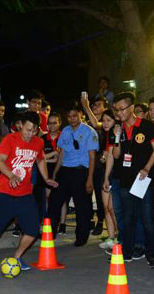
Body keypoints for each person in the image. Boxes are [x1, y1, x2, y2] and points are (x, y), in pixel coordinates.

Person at [0, 111, 58, 271]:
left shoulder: (38, 142)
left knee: (33, 230)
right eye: (27, 129)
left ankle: (16, 257)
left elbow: (40, 159)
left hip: (25, 195)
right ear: (20, 126)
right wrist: (11, 175)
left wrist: (46, 178)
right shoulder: (9, 140)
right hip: (6, 193)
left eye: (34, 130)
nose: (30, 134)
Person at [111, 91, 154, 267]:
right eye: (116, 110)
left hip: (142, 180)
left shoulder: (146, 126)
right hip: (125, 179)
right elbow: (116, 155)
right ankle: (128, 252)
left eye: (121, 109)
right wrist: (117, 137)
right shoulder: (118, 129)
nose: (119, 113)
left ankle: (152, 254)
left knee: (147, 218)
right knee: (128, 217)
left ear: (131, 107)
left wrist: (147, 168)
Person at [48, 102, 98, 246]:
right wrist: (55, 174)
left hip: (81, 172)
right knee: (54, 202)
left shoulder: (89, 132)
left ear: (81, 115)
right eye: (69, 116)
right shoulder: (65, 131)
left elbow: (92, 157)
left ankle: (81, 238)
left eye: (75, 115)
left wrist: (90, 179)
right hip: (65, 172)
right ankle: (50, 233)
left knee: (81, 207)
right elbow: (62, 153)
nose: (72, 118)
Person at [83, 94, 109, 235]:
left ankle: (100, 220)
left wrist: (85, 106)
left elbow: (96, 125)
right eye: (93, 105)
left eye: (98, 105)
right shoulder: (86, 123)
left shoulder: (107, 122)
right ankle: (89, 219)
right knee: (87, 191)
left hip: (101, 163)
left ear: (105, 108)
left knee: (99, 194)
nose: (94, 107)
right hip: (88, 161)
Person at [97, 110, 119, 249]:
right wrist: (103, 157)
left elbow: (114, 155)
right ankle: (111, 238)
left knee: (112, 208)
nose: (105, 123)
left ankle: (119, 236)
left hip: (114, 175)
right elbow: (106, 156)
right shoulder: (105, 135)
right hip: (106, 174)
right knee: (106, 208)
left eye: (108, 120)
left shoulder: (116, 133)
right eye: (103, 120)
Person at [41, 113, 66, 233]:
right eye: (50, 123)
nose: (52, 125)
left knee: (62, 199)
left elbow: (63, 156)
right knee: (48, 197)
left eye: (55, 122)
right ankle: (48, 220)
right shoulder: (43, 139)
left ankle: (62, 223)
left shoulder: (64, 137)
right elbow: (39, 158)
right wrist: (54, 155)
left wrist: (54, 157)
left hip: (62, 170)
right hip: (46, 170)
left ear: (60, 123)